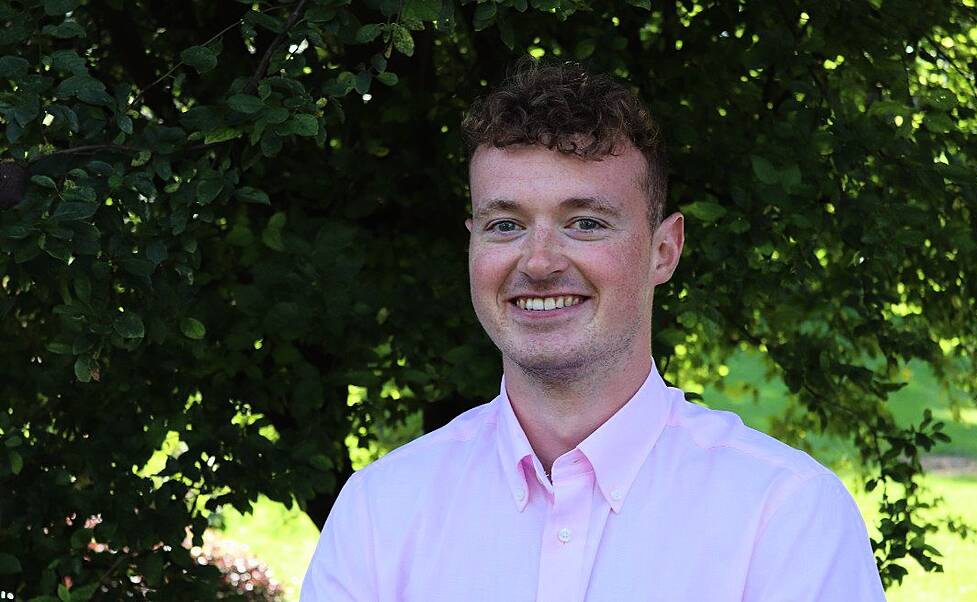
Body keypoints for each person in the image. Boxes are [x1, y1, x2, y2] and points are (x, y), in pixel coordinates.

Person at [300, 61, 887, 601]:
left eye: (585, 223)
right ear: (472, 244)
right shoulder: (381, 513)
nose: (538, 262)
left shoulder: (784, 516)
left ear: (664, 250)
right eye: (505, 224)